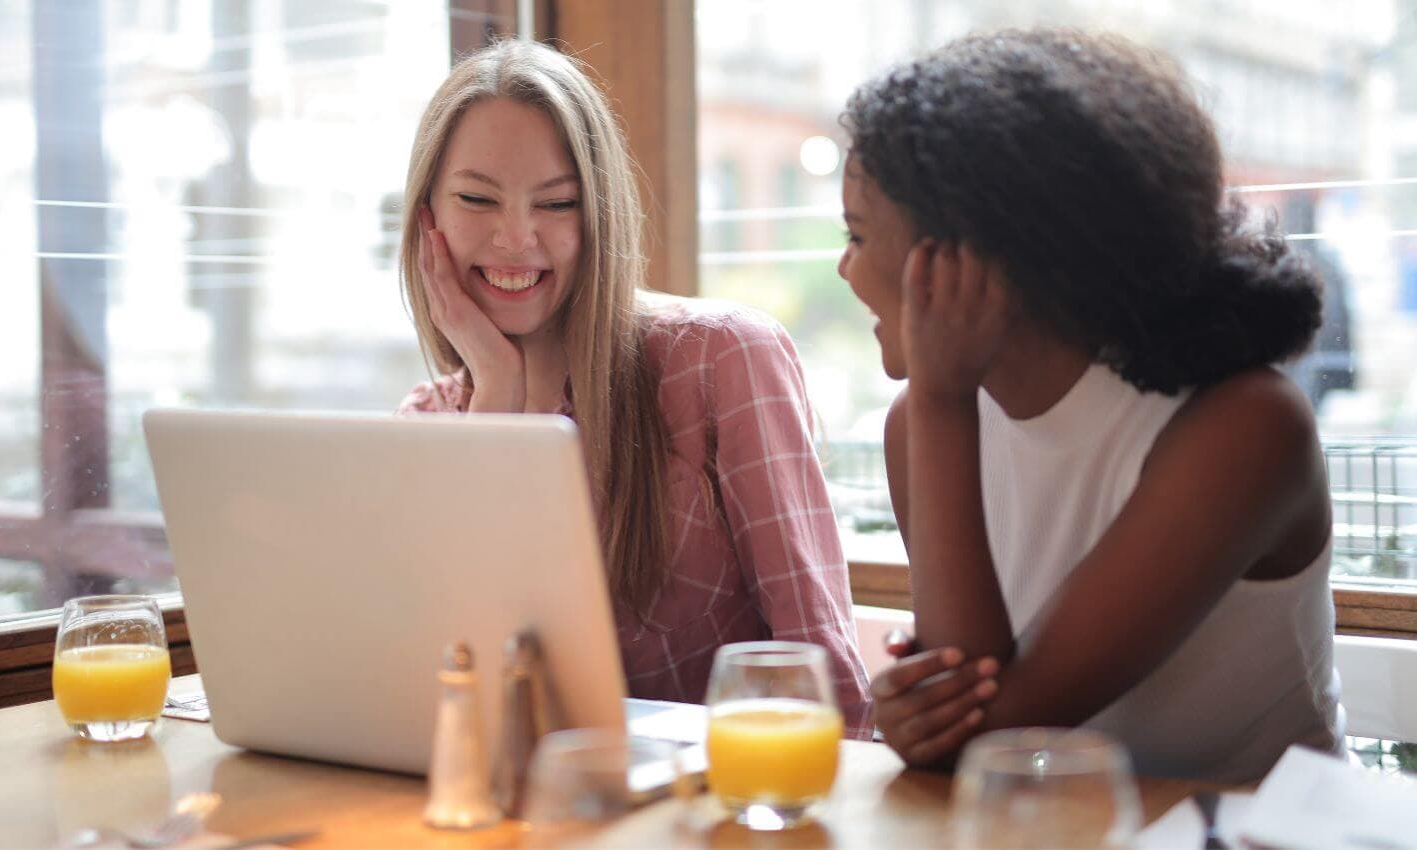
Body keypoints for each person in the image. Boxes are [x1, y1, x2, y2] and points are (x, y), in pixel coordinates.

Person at [837, 29, 1341, 781]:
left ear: (972, 256)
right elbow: (966, 707)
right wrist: (921, 713)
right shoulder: (921, 425)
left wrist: (942, 402)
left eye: (856, 234)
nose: (845, 268)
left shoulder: (1243, 429)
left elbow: (986, 741)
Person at [394, 40, 871, 734]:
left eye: (556, 203)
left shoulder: (721, 358)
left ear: (600, 215)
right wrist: (496, 392)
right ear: (426, 218)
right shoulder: (430, 422)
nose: (516, 238)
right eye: (476, 198)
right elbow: (450, 701)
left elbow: (823, 678)